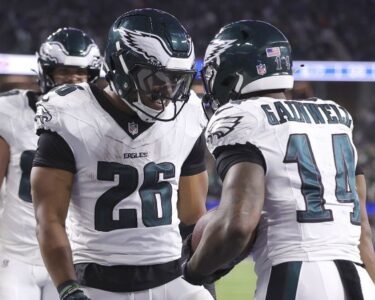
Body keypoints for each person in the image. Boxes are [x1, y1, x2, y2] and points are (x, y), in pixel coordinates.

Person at [182, 20, 375, 299]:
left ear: (230, 74)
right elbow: (363, 235)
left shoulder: (243, 117)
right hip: (359, 282)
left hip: (295, 279)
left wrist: (193, 271)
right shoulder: (336, 118)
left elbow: (239, 223)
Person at [31, 8, 214, 300]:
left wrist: (204, 276)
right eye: (155, 78)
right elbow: (49, 219)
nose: (167, 91)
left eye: (176, 79)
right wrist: (67, 288)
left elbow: (193, 216)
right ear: (121, 68)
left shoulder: (189, 114)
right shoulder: (70, 114)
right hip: (96, 282)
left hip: (173, 278)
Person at [0, 27, 101, 300]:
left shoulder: (101, 125)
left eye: (81, 75)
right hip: (17, 257)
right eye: (64, 73)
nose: (73, 82)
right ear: (46, 73)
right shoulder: (10, 112)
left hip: (73, 257)